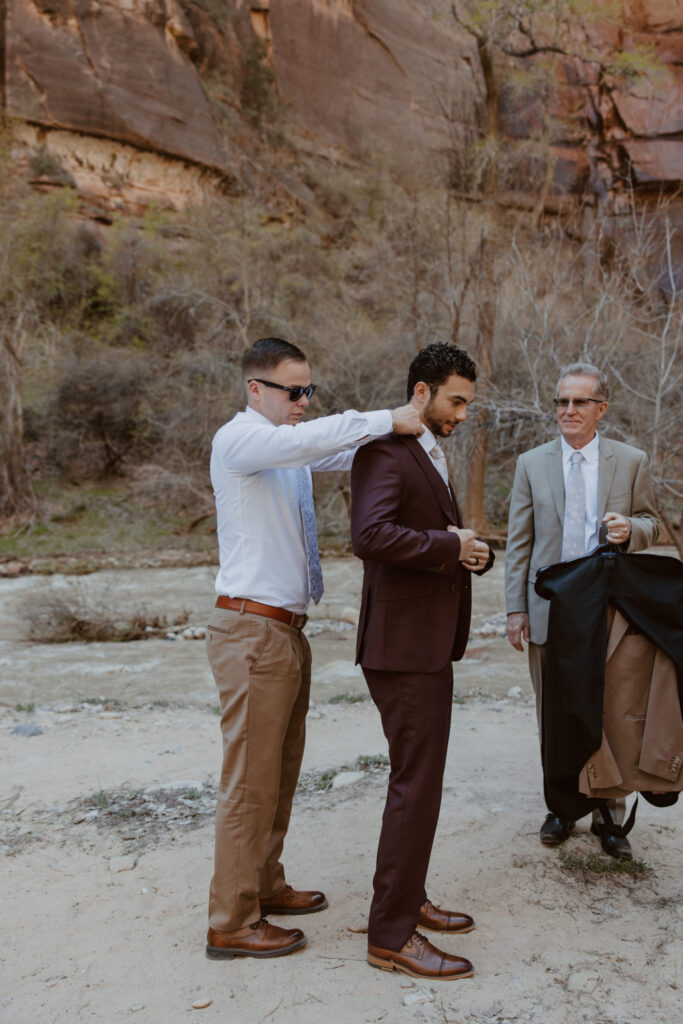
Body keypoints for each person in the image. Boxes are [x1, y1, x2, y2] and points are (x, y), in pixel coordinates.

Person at [205, 336, 422, 961]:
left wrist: (408, 426)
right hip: (250, 630)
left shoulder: (287, 452)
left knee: (279, 771)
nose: (303, 401)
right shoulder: (240, 439)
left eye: (309, 391)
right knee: (248, 782)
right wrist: (387, 417)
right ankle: (231, 920)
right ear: (256, 389)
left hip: (283, 630)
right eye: (293, 390)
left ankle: (263, 885)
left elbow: (336, 448)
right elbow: (309, 440)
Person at [350, 343, 494, 981]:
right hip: (403, 650)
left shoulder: (427, 451)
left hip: (424, 643)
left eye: (467, 402)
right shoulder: (384, 449)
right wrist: (448, 544)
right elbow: (371, 535)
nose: (461, 413)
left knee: (422, 784)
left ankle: (409, 901)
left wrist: (467, 553)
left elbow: (430, 541)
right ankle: (391, 935)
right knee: (414, 788)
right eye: (455, 400)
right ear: (421, 391)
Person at [505, 361, 659, 859]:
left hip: (611, 609)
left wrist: (631, 531)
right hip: (550, 607)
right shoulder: (531, 463)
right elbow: (518, 544)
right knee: (555, 712)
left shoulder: (631, 460)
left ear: (601, 409)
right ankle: (562, 807)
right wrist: (515, 609)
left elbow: (653, 523)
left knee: (614, 712)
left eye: (579, 402)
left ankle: (610, 818)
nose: (567, 411)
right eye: (561, 402)